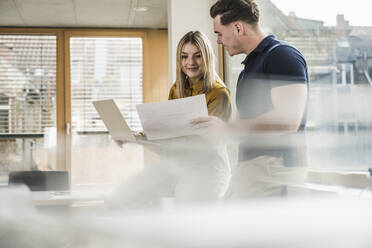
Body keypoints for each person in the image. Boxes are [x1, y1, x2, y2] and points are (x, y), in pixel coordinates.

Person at [190, 0, 309, 198]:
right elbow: (246, 126)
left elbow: (289, 121)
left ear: (238, 27)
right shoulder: (249, 68)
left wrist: (227, 128)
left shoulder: (282, 56)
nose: (218, 40)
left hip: (274, 168)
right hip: (250, 167)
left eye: (219, 33)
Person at [109, 31, 233, 209]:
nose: (190, 62)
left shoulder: (219, 94)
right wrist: (135, 136)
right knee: (122, 196)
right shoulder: (177, 88)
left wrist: (157, 142)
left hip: (207, 170)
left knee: (190, 220)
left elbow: (207, 144)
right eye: (184, 56)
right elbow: (167, 127)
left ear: (207, 58)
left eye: (197, 56)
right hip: (179, 164)